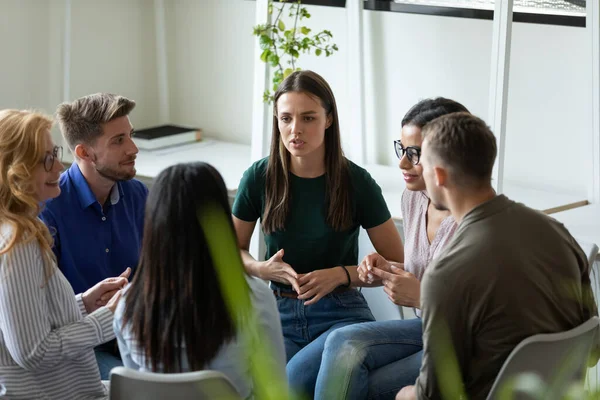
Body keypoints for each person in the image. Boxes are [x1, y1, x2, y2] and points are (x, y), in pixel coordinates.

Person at [395, 112, 598, 400]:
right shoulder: (558, 232)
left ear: (438, 176)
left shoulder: (445, 274)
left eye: (423, 164)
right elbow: (592, 350)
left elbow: (434, 396)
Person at [232, 70, 404, 398]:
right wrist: (261, 268)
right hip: (278, 311)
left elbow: (396, 264)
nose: (295, 129)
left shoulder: (357, 182)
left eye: (308, 118)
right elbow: (233, 250)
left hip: (341, 312)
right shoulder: (259, 177)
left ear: (328, 120)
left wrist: (341, 275)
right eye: (286, 118)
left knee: (294, 383)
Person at [314, 98, 470, 400]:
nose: (402, 163)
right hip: (423, 328)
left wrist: (422, 296)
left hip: (460, 343)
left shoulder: (473, 220)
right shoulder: (413, 198)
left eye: (415, 154)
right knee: (341, 345)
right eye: (402, 149)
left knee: (359, 384)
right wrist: (387, 270)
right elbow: (426, 272)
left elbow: (483, 312)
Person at [113, 162, 286, 399]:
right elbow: (274, 391)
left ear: (155, 225)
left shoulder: (127, 304)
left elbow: (138, 387)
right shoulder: (254, 298)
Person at [0, 109, 128, 399]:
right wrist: (107, 318)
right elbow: (33, 352)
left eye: (55, 153)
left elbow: (23, 318)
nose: (60, 166)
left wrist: (84, 303)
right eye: (47, 159)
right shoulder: (17, 242)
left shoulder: (15, 229)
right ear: (14, 170)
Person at [40, 93, 148, 379]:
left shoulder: (138, 195)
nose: (133, 148)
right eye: (118, 140)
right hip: (82, 343)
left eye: (130, 136)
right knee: (136, 388)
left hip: (138, 334)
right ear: (84, 153)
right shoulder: (48, 210)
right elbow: (42, 309)